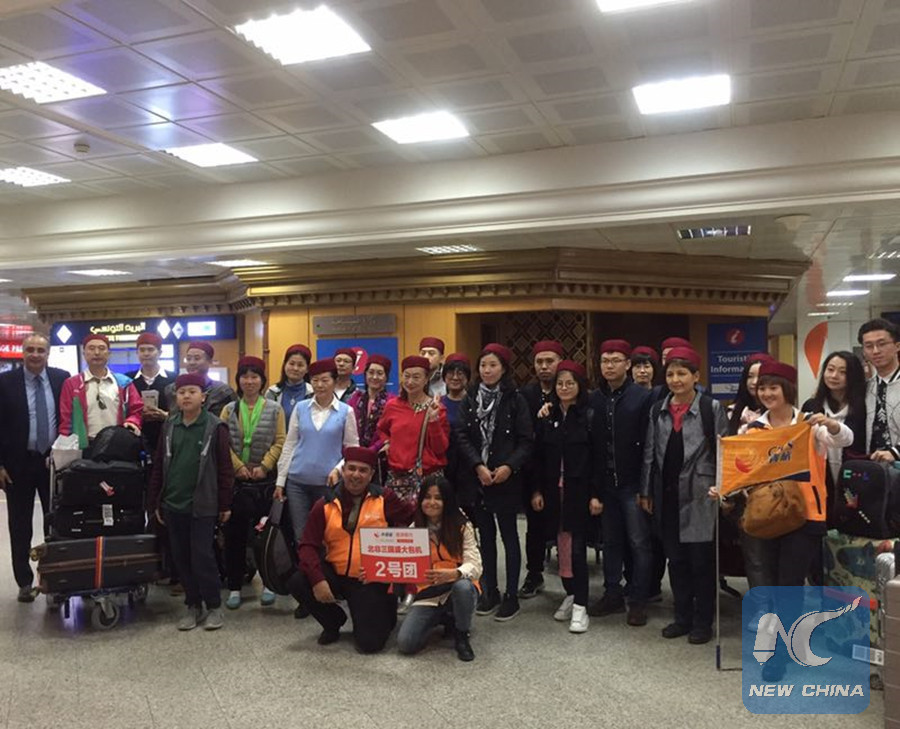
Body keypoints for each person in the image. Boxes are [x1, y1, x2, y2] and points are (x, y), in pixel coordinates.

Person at [724, 360, 852, 680]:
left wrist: (831, 424)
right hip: (767, 516)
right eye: (762, 388)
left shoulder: (809, 423)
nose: (767, 393)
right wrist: (725, 488)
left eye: (773, 387)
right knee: (770, 585)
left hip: (806, 514)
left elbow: (845, 439)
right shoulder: (752, 430)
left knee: (790, 585)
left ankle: (780, 653)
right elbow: (743, 471)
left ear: (787, 390)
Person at [287, 447, 416, 652]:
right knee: (298, 581)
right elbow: (307, 545)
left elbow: (413, 519)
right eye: (351, 468)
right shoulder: (325, 504)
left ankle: (386, 606)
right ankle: (333, 622)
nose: (356, 475)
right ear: (343, 470)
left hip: (370, 579)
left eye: (363, 470)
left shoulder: (385, 499)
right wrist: (318, 580)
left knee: (370, 645)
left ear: (371, 474)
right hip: (335, 573)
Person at [640, 346, 728, 644]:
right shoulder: (658, 409)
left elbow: (725, 453)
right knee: (675, 561)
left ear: (696, 376)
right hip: (666, 495)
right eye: (670, 374)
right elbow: (649, 453)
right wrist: (646, 490)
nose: (676, 380)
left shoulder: (711, 408)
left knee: (701, 562)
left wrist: (724, 488)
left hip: (701, 494)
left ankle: (703, 622)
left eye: (682, 373)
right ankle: (682, 617)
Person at [148, 373, 234, 631]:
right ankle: (193, 604)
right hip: (173, 503)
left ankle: (214, 605)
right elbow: (159, 466)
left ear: (203, 397)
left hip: (203, 504)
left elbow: (225, 468)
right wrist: (155, 502)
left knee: (202, 556)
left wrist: (225, 503)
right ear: (176, 397)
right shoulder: (170, 425)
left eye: (192, 391)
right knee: (181, 557)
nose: (186, 396)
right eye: (182, 392)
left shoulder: (215, 427)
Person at [455, 343, 533, 621]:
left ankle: (511, 596)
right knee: (485, 538)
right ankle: (491, 591)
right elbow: (461, 435)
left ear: (504, 369)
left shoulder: (515, 399)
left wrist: (509, 466)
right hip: (478, 479)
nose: (487, 370)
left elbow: (526, 440)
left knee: (509, 536)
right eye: (483, 365)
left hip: (506, 478)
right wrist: (478, 465)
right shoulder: (470, 397)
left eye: (493, 365)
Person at [530, 360, 602, 633]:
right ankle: (571, 594)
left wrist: (596, 495)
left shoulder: (590, 416)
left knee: (578, 549)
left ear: (579, 386)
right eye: (560, 383)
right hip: (553, 493)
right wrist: (536, 490)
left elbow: (598, 459)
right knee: (562, 549)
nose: (564, 387)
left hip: (580, 494)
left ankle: (582, 606)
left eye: (570, 383)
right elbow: (538, 458)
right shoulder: (547, 416)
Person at [0, 334, 69, 602]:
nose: (35, 354)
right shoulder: (5, 382)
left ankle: (55, 579)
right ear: (23, 352)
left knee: (56, 522)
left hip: (52, 462)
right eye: (30, 349)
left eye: (41, 350)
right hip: (17, 465)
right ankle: (24, 582)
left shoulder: (61, 379)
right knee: (19, 525)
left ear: (48, 353)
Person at [589, 339, 653, 627]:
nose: (610, 366)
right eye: (605, 361)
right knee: (611, 542)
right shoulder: (594, 399)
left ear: (627, 364)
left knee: (639, 543)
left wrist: (645, 488)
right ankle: (612, 593)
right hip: (606, 485)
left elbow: (649, 446)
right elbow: (591, 447)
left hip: (633, 485)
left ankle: (638, 599)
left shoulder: (642, 397)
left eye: (616, 360)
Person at [220, 356, 286, 610]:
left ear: (262, 380)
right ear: (238, 380)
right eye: (244, 377)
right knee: (234, 536)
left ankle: (269, 583)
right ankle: (235, 587)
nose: (249, 381)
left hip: (264, 481)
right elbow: (223, 442)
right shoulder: (229, 409)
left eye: (254, 376)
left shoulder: (275, 409)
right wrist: (238, 467)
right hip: (237, 483)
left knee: (265, 536)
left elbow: (280, 440)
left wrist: (265, 466)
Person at [396, 475, 482, 661]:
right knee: (406, 643)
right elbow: (399, 566)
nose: (432, 502)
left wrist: (455, 573)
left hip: (456, 587)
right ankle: (444, 617)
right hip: (429, 593)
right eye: (427, 497)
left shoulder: (462, 525)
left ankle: (462, 634)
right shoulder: (413, 530)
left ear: (447, 501)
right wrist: (374, 572)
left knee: (463, 587)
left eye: (438, 498)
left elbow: (476, 565)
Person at [276, 358, 359, 546]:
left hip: (328, 484)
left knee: (327, 536)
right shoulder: (301, 408)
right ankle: (304, 566)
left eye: (325, 380)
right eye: (315, 380)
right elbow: (290, 444)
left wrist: (338, 469)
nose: (319, 385)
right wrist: (280, 481)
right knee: (301, 536)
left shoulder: (346, 411)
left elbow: (352, 449)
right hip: (297, 483)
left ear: (334, 381)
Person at [519, 339, 564, 600]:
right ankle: (534, 574)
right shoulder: (526, 395)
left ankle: (571, 578)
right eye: (539, 362)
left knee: (568, 527)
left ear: (560, 362)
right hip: (534, 470)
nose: (544, 366)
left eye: (550, 361)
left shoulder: (569, 389)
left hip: (565, 471)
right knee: (534, 527)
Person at [376, 355, 449, 505]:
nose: (410, 382)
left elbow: (440, 448)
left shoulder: (437, 408)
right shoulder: (392, 406)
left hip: (427, 478)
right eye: (406, 376)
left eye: (416, 377)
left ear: (426, 379)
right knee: (395, 518)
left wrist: (433, 420)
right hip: (396, 477)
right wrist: (387, 442)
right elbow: (382, 429)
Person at [801, 350, 867, 499]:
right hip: (821, 476)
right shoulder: (811, 406)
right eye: (830, 369)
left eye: (843, 372)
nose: (834, 376)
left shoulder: (863, 406)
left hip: (857, 475)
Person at [58, 333, 143, 449]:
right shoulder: (71, 384)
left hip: (116, 445)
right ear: (84, 353)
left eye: (102, 348)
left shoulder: (124, 383)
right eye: (91, 348)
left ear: (109, 353)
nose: (97, 352)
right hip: (83, 446)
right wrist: (64, 446)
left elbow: (136, 410)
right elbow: (66, 420)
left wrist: (132, 422)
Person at [858, 318, 900, 461]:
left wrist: (895, 452)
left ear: (897, 346)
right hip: (874, 466)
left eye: (882, 344)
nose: (875, 351)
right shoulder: (866, 388)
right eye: (869, 346)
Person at [126, 331, 172, 453]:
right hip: (135, 439)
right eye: (142, 350)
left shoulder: (173, 379)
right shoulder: (127, 380)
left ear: (160, 353)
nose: (146, 354)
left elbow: (182, 412)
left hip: (166, 438)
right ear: (137, 353)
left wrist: (165, 415)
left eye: (150, 350)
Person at [164, 341, 236, 418]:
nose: (192, 363)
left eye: (197, 358)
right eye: (188, 359)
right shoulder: (173, 389)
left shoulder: (223, 391)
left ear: (210, 361)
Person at [347, 354, 393, 466]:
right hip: (355, 455)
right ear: (365, 374)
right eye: (371, 372)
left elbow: (391, 432)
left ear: (386, 377)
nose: (375, 377)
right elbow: (348, 428)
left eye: (380, 373)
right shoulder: (355, 399)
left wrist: (372, 449)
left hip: (379, 457)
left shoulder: (392, 401)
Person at [726, 353, 773, 435]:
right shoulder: (731, 412)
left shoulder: (777, 412)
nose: (754, 382)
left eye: (760, 376)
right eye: (750, 376)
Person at [266, 344, 313, 422]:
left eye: (300, 365)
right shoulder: (272, 392)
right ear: (285, 365)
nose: (295, 368)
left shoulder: (313, 393)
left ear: (307, 369)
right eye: (291, 364)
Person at [440, 353, 471, 428]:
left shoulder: (474, 403)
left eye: (460, 373)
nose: (455, 378)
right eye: (451, 373)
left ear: (467, 377)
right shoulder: (438, 403)